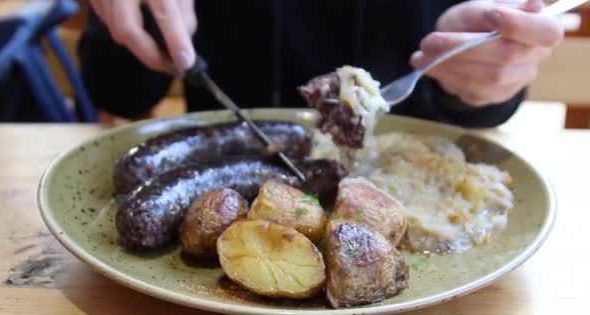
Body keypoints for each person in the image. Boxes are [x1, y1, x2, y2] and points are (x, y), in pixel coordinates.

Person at [79, 0, 563, 127]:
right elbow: (115, 91)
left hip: (409, 176)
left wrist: (477, 77)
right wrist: (134, 23)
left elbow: (489, 101)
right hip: (227, 157)